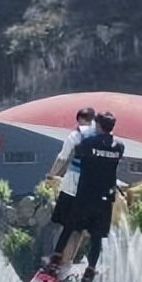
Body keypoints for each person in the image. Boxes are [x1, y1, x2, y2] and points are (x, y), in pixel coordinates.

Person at [38, 111, 125, 282]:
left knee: (69, 228)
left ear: (98, 125)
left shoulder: (86, 143)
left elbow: (71, 156)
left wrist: (53, 174)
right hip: (105, 199)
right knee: (96, 239)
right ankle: (88, 276)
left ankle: (54, 264)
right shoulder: (119, 146)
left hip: (85, 196)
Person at [45, 107, 96, 265]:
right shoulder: (100, 136)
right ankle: (70, 260)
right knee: (78, 229)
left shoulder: (75, 136)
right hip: (90, 188)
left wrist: (51, 175)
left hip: (72, 185)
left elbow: (62, 158)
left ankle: (59, 262)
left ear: (80, 120)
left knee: (66, 225)